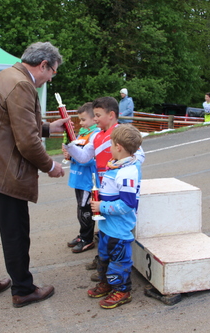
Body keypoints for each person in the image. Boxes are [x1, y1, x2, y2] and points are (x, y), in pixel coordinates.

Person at [0, 41, 68, 308]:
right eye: (52, 72)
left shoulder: (6, 76)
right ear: (43, 65)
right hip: (4, 170)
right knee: (16, 232)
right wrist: (50, 166)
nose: (49, 79)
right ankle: (23, 289)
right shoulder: (23, 84)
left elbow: (9, 124)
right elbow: (26, 142)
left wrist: (48, 128)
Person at [65, 96, 145, 277]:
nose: (94, 119)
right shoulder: (96, 135)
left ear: (111, 115)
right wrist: (70, 146)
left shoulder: (122, 133)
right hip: (103, 188)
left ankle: (115, 264)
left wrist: (120, 168)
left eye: (98, 115)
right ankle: (103, 259)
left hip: (119, 189)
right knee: (104, 224)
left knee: (117, 225)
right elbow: (85, 157)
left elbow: (138, 156)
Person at [87, 124, 142, 309]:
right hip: (106, 226)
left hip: (118, 229)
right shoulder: (117, 165)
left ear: (118, 146)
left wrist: (101, 205)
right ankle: (107, 283)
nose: (109, 147)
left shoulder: (128, 172)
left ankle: (122, 290)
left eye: (111, 143)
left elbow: (127, 204)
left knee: (119, 260)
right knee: (104, 256)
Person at [62, 102, 100, 253]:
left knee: (85, 209)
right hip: (77, 178)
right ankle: (82, 234)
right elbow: (75, 151)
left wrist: (73, 156)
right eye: (80, 120)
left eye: (84, 119)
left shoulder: (95, 135)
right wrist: (68, 154)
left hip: (87, 180)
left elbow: (88, 159)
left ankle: (87, 239)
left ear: (94, 118)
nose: (81, 123)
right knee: (81, 208)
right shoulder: (82, 133)